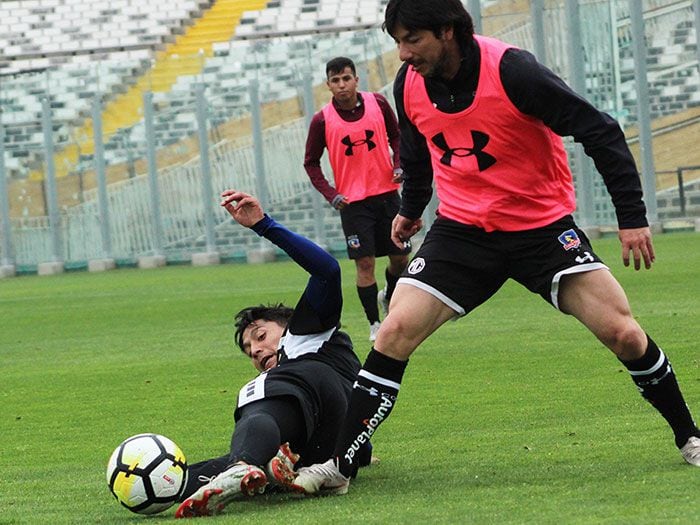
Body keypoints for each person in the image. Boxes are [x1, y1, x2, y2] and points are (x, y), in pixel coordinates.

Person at [292, 0, 700, 495]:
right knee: (393, 330)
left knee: (624, 335)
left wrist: (631, 217)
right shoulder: (408, 85)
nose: (402, 53)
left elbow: (600, 130)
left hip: (541, 229)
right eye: (396, 41)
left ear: (447, 31)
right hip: (462, 232)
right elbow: (419, 153)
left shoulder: (513, 71)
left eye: (411, 40)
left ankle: (690, 436)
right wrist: (412, 208)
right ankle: (340, 466)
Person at [175, 189, 372, 518]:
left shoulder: (305, 332)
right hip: (334, 433)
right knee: (259, 453)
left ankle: (245, 466)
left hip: (312, 385)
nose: (256, 350)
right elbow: (361, 448)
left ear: (288, 324)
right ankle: (250, 472)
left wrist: (264, 225)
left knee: (256, 409)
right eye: (250, 351)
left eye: (260, 335)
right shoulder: (331, 360)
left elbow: (327, 270)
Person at [304, 56, 410, 342]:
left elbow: (397, 136)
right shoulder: (322, 120)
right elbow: (311, 163)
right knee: (364, 265)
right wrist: (331, 194)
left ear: (356, 79)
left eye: (346, 78)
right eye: (335, 80)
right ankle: (375, 324)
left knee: (400, 258)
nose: (342, 85)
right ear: (328, 85)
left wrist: (399, 163)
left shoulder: (378, 103)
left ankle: (388, 294)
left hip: (388, 196)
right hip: (353, 204)